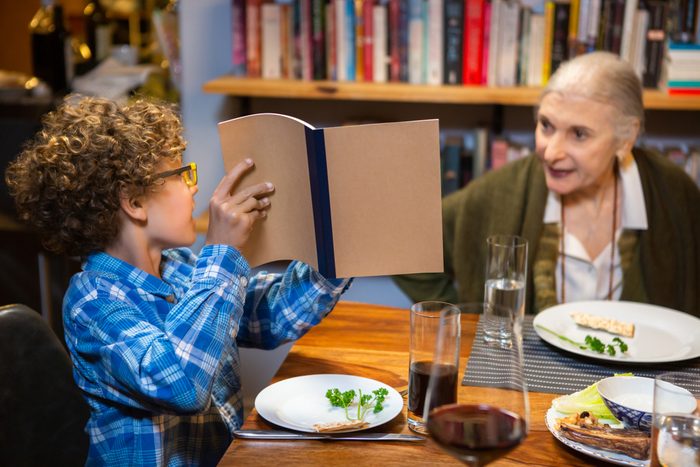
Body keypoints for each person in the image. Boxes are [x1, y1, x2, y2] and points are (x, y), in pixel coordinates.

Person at [5, 96, 351, 466]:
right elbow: (182, 384)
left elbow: (266, 317)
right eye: (182, 175)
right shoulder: (92, 301)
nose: (194, 188)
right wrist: (221, 251)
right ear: (134, 202)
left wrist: (339, 249)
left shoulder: (180, 268)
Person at [394, 51, 700, 317]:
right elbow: (406, 241)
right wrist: (462, 318)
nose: (551, 153)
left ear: (626, 138)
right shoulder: (504, 190)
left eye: (579, 134)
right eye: (546, 125)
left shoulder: (674, 193)